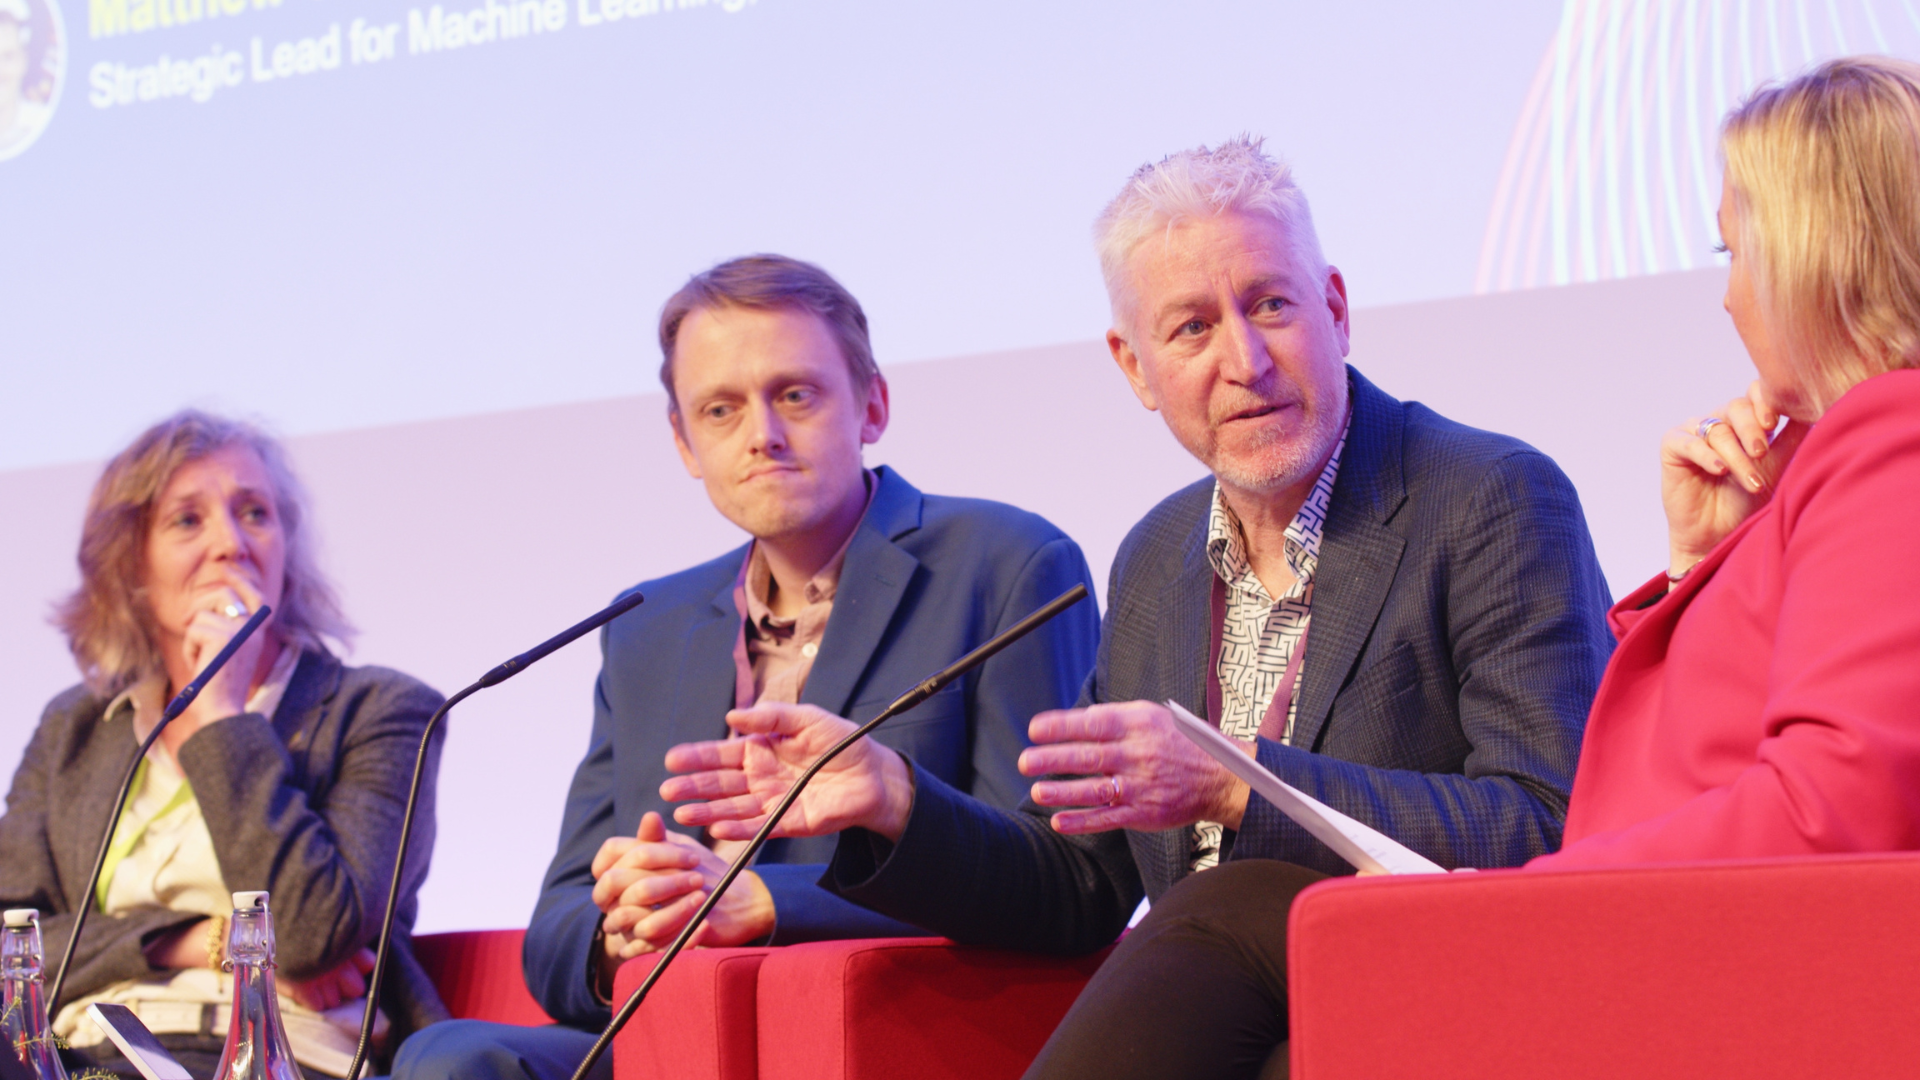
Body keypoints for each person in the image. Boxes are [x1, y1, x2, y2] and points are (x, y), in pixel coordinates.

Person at [661, 139, 1614, 1077]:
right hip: (1236, 1036)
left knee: (1227, 916)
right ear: (1134, 368)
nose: (1246, 360)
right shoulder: (1159, 557)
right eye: (1192, 328)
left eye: (1272, 305)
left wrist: (1240, 787)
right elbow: (1081, 887)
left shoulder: (1487, 496)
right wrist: (896, 800)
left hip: (1434, 1004)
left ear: (1334, 308)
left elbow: (1554, 821)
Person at [391, 255, 1101, 1080]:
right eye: (720, 410)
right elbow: (555, 934)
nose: (760, 434)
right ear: (685, 442)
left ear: (871, 405)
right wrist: (626, 924)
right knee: (448, 1057)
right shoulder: (644, 626)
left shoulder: (1006, 565)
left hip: (879, 1037)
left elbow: (1064, 885)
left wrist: (764, 905)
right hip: (680, 1043)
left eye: (794, 395)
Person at [0, 411, 449, 1080]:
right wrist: (197, 939)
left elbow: (308, 934)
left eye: (254, 514)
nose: (231, 544)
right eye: (188, 520)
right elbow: (14, 944)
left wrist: (221, 717)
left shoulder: (381, 710)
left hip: (281, 1057)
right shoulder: (74, 728)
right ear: (133, 566)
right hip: (78, 1056)